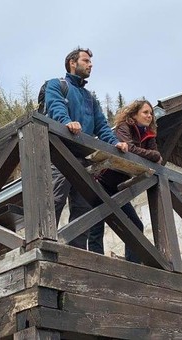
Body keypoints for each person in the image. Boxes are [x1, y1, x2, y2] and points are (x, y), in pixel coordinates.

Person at [44, 47, 128, 250]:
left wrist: (114, 142)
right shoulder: (57, 85)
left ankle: (77, 253)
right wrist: (67, 122)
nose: (90, 65)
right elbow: (55, 107)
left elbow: (102, 126)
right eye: (86, 60)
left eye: (91, 62)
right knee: (55, 200)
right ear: (73, 63)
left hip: (84, 158)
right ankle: (44, 243)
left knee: (82, 208)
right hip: (60, 153)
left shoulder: (90, 98)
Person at [88, 99, 162, 263]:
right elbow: (130, 149)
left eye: (150, 113)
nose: (149, 116)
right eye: (145, 112)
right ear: (134, 114)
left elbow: (155, 157)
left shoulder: (149, 135)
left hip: (118, 187)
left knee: (135, 225)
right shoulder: (124, 127)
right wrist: (152, 155)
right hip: (102, 180)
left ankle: (133, 266)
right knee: (96, 222)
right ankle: (95, 261)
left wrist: (152, 155)